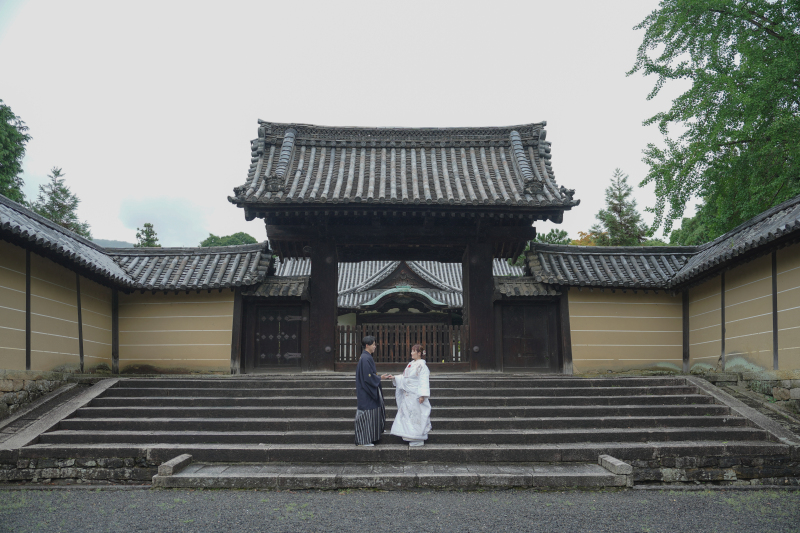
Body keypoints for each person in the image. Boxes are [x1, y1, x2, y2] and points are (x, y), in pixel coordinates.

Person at [386, 344, 431, 446]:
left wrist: (422, 395)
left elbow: (423, 381)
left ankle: (417, 438)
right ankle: (408, 435)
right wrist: (395, 377)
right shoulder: (411, 364)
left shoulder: (422, 366)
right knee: (407, 416)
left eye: (413, 351)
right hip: (408, 395)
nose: (411, 353)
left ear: (419, 353)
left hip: (416, 394)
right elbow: (405, 377)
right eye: (411, 351)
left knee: (416, 415)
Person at [354, 335, 391, 446]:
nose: (375, 346)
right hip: (366, 391)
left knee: (372, 413)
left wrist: (378, 377)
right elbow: (368, 377)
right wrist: (380, 378)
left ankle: (371, 436)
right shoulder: (365, 358)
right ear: (367, 345)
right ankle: (364, 440)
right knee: (367, 414)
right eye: (373, 344)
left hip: (368, 389)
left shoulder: (366, 357)